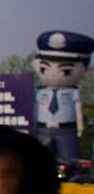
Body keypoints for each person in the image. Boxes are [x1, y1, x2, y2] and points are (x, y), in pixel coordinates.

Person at [32, 30, 92, 161]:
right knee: (39, 160)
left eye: (66, 70)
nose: (53, 74)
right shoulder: (41, 92)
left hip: (66, 130)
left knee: (68, 158)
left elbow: (78, 109)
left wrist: (80, 126)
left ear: (85, 69)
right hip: (43, 128)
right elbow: (35, 109)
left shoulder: (73, 92)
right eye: (45, 68)